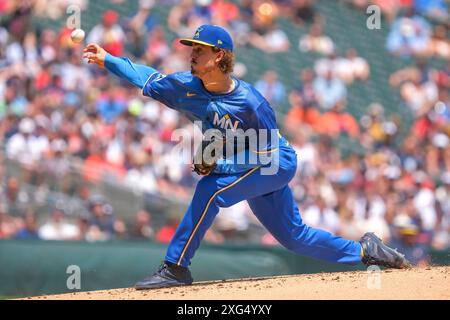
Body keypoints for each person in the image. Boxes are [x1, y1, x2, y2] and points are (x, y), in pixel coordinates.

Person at [83, 24, 411, 290]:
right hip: (253, 165)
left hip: (276, 162)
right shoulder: (183, 86)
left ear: (219, 56)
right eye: (192, 48)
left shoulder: (251, 103)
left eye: (199, 49)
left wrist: (219, 163)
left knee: (210, 189)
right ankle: (366, 250)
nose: (192, 54)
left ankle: (176, 267)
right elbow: (146, 76)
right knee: (293, 237)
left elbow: (267, 155)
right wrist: (107, 59)